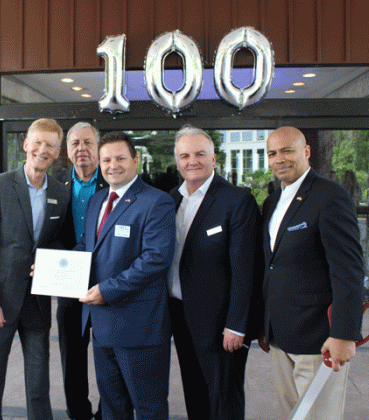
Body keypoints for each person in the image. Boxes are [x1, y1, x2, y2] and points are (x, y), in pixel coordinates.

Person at [0, 118, 70, 420]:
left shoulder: (60, 192)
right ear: (26, 144)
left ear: (57, 152)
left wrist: (51, 258)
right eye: (37, 142)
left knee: (39, 379)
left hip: (37, 301)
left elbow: (59, 240)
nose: (42, 149)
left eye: (50, 145)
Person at [261, 126, 364, 420]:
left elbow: (349, 270)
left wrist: (344, 333)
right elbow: (272, 266)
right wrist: (264, 322)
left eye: (287, 150)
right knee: (292, 415)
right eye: (272, 153)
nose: (279, 159)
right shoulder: (272, 201)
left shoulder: (330, 196)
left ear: (306, 152)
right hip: (280, 336)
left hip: (319, 339)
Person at [77, 131, 176, 420]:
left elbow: (155, 258)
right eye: (106, 160)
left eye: (120, 158)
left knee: (148, 409)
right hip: (102, 326)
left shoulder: (156, 201)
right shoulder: (97, 201)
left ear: (135, 160)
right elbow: (87, 247)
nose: (112, 166)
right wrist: (54, 266)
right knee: (112, 407)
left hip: (139, 328)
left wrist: (107, 290)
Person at [168, 126, 262, 419]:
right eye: (185, 156)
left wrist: (237, 324)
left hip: (221, 324)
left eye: (199, 154)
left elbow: (246, 269)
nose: (192, 161)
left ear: (213, 158)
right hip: (180, 315)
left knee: (224, 398)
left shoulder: (237, 200)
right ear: (177, 162)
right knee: (194, 391)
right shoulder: (171, 200)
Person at [54, 122, 107, 420]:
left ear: (98, 147)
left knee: (108, 353)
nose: (81, 148)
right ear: (67, 149)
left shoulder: (112, 179)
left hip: (106, 281)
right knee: (72, 357)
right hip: (68, 280)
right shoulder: (55, 183)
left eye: (88, 142)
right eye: (75, 143)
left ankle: (107, 412)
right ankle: (79, 414)